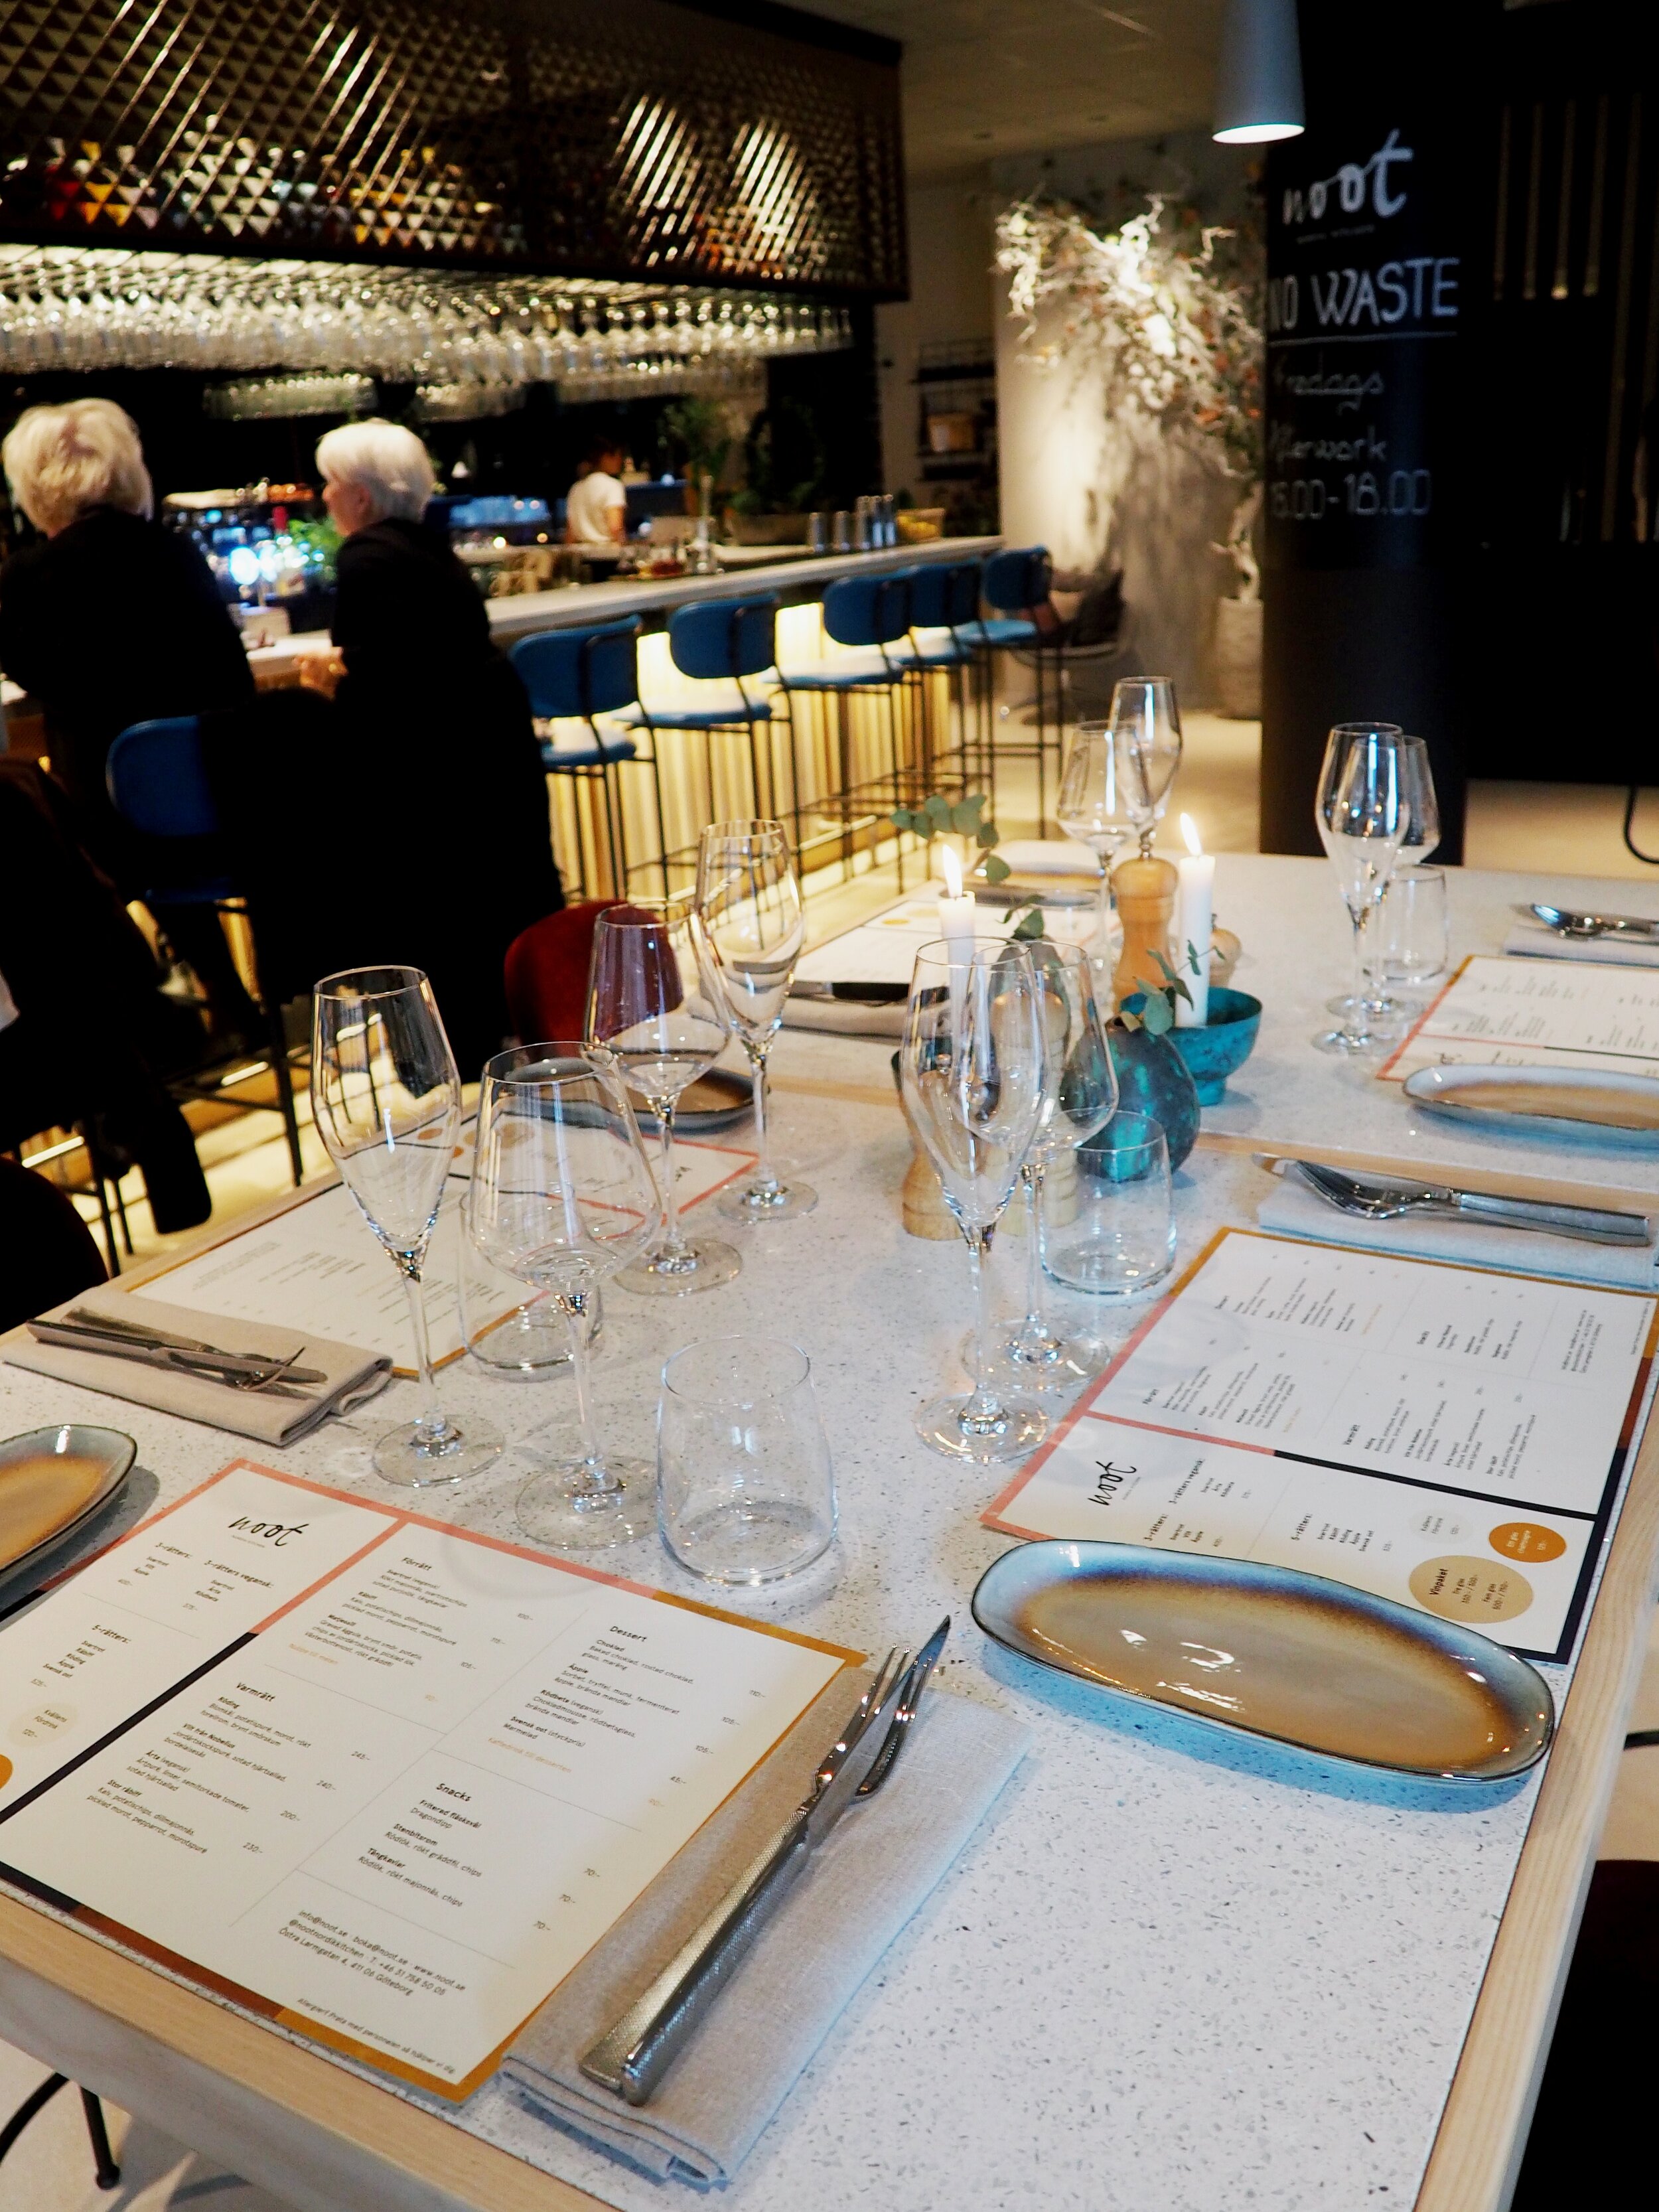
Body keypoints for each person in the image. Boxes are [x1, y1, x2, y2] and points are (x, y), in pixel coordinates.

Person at [0, 400, 261, 1042]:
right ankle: (228, 1002)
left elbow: (34, 672)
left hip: (116, 841)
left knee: (48, 847)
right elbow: (233, 678)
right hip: (232, 816)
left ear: (34, 486)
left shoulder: (28, 576)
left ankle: (142, 1022)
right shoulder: (176, 553)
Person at [314, 420, 563, 1067]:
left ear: (360, 496)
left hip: (430, 770)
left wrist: (329, 686)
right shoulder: (432, 549)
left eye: (331, 484)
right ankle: (514, 1051)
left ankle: (445, 1071)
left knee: (428, 920)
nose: (324, 496)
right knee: (494, 912)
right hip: (489, 745)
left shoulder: (365, 556)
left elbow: (383, 684)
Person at [564, 438, 628, 547]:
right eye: (617, 456)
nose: (620, 461)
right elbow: (615, 527)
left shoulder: (576, 488)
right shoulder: (613, 486)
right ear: (605, 457)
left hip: (580, 551)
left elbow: (570, 533)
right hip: (607, 552)